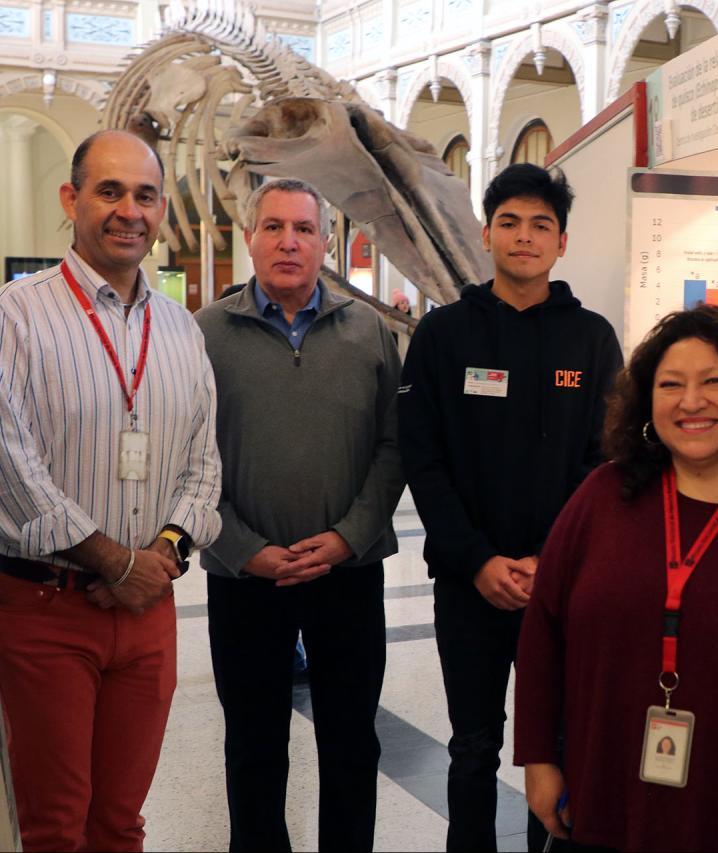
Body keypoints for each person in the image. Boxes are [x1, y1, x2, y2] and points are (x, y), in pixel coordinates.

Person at [515, 305, 718, 852]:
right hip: (605, 792)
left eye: (715, 381)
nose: (692, 401)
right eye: (671, 384)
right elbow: (543, 630)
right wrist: (539, 760)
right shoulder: (605, 495)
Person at [0, 129, 222, 851]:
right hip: (47, 610)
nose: (130, 210)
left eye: (146, 195)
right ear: (72, 199)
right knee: (56, 826)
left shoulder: (181, 330)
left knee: (121, 821)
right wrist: (109, 559)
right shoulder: (17, 315)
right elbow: (10, 460)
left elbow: (203, 460)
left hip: (148, 609)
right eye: (110, 191)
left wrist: (157, 553)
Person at [398, 163, 622, 852]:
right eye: (510, 222)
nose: (524, 237)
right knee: (472, 748)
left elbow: (605, 462)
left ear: (560, 243)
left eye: (541, 225)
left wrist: (548, 561)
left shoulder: (591, 339)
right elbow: (423, 461)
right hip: (470, 587)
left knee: (555, 749)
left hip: (565, 590)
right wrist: (478, 559)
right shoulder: (443, 338)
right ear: (487, 233)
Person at [194, 178, 404, 851]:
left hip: (347, 576)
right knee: (253, 749)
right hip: (244, 580)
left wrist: (348, 538)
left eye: (304, 229)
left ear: (326, 243)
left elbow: (393, 446)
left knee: (351, 744)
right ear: (249, 237)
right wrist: (240, 546)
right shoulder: (205, 334)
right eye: (274, 226)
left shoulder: (368, 329)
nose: (289, 240)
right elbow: (188, 458)